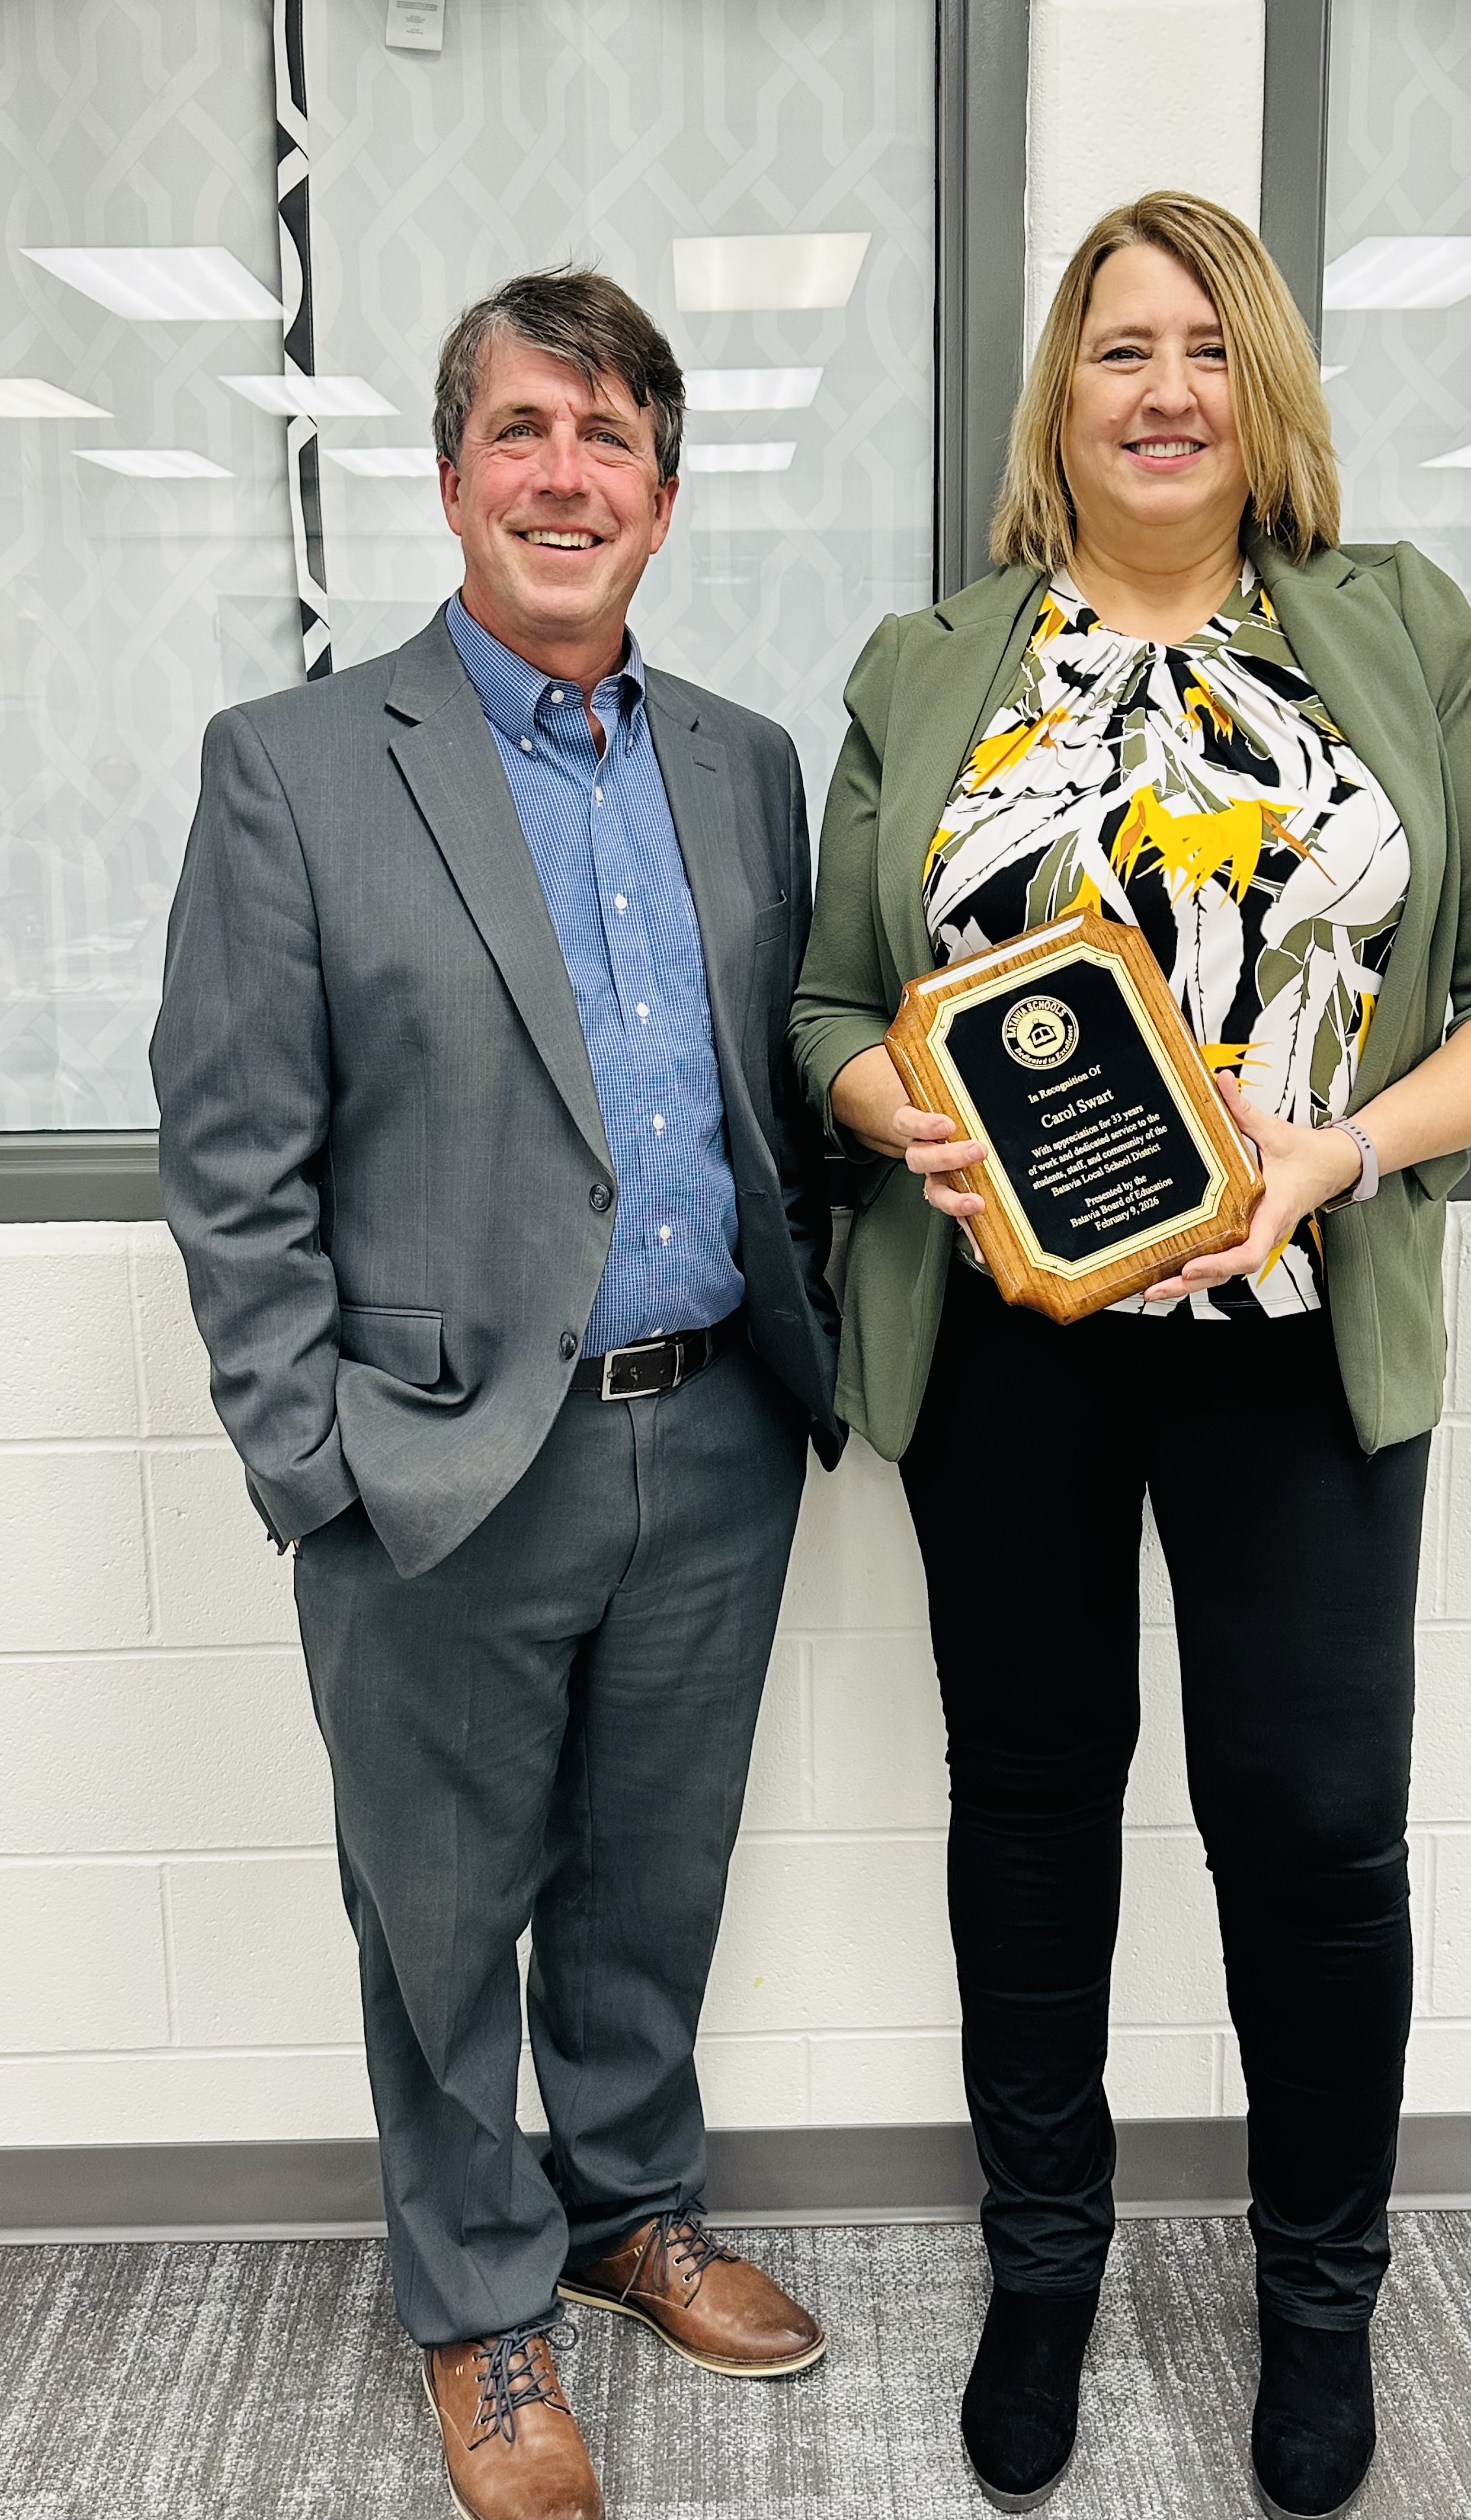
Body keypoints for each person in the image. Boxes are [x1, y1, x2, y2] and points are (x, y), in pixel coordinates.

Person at [790, 192, 1471, 2520]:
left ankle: (1315, 2297)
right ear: (1059, 395)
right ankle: (1042, 2270)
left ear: (1264, 395)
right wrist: (908, 1118)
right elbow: (834, 1011)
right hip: (1013, 1357)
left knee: (1319, 1838)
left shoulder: (1399, 632)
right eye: (1118, 348)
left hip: (1295, 1346)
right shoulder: (933, 660)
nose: (1163, 389)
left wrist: (1336, 1150)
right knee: (1034, 1818)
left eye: (1206, 350)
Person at [153, 268, 843, 2520]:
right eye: (527, 430)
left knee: (655, 1878)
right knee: (440, 1912)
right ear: (452, 475)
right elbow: (232, 1152)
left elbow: (787, 1094)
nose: (569, 474)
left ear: (665, 493)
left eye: (614, 438)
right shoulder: (299, 768)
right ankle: (483, 2307)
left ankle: (633, 2208)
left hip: (713, 1437)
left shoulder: (743, 762)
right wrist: (312, 1460)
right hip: (438, 1465)